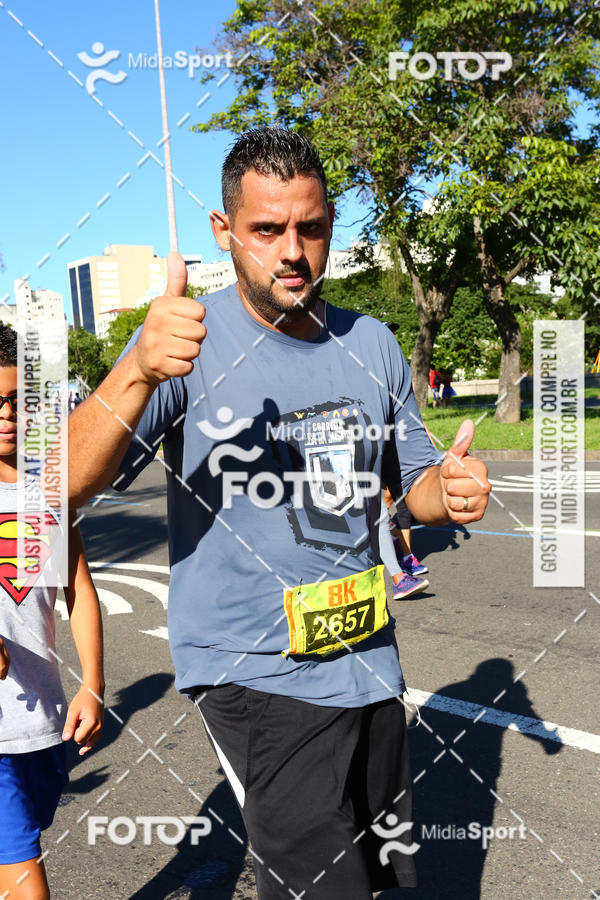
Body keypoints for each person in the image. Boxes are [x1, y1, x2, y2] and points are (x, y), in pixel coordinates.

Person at [68, 127, 490, 899]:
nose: (292, 251)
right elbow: (59, 487)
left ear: (331, 223)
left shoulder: (374, 343)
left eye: (311, 227)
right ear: (224, 233)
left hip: (368, 661)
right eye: (267, 230)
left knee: (374, 879)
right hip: (253, 674)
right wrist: (132, 368)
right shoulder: (182, 340)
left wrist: (450, 491)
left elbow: (415, 484)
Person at [0, 325, 104, 899]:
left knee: (28, 835)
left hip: (42, 719)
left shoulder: (49, 490)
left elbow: (79, 589)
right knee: (25, 876)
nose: (8, 414)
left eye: (17, 399)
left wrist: (93, 683)